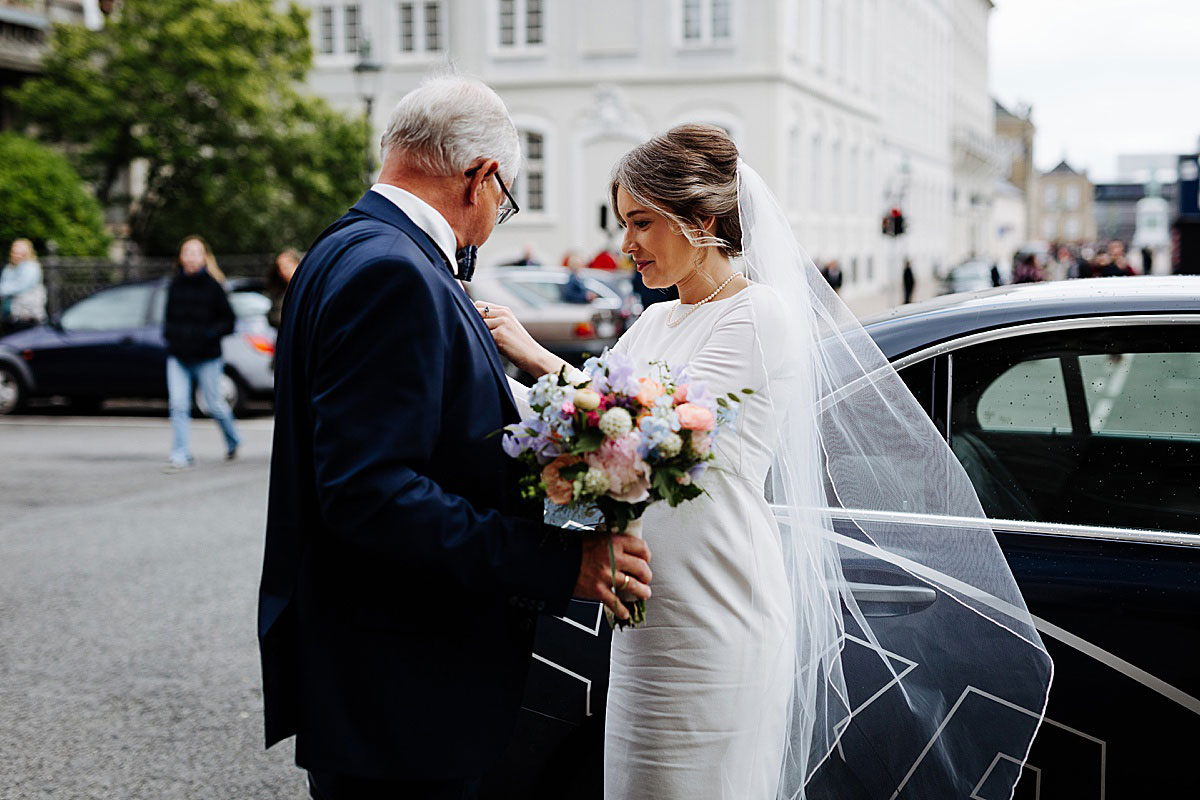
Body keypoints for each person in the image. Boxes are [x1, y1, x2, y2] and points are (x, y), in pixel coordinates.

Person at [479, 124, 1052, 799]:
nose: (625, 243)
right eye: (621, 223)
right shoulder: (657, 322)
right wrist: (484, 373)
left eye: (641, 222)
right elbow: (584, 433)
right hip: (647, 612)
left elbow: (648, 436)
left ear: (703, 219)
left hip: (717, 609)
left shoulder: (757, 318)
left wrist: (535, 357)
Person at [257, 75, 652, 800]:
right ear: (480, 177)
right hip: (404, 682)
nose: (499, 213)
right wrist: (557, 564)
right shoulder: (392, 271)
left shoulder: (344, 247)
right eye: (506, 198)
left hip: (373, 669)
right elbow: (372, 496)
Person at [162, 235, 240, 470]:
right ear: (181, 257)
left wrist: (207, 335)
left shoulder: (214, 286)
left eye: (196, 252)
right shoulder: (175, 284)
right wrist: (173, 337)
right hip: (179, 355)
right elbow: (169, 318)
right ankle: (180, 453)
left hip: (207, 356)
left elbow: (228, 321)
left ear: (204, 257)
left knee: (214, 403)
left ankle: (232, 438)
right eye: (187, 252)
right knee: (178, 404)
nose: (191, 257)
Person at [1, 238, 48, 334]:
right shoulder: (9, 268)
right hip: (10, 316)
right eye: (15, 252)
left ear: (27, 253)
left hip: (28, 317)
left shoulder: (32, 267)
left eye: (21, 253)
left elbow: (21, 286)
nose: (17, 256)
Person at [266, 248, 300, 328]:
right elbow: (274, 317)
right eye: (279, 268)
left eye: (286, 267)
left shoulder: (306, 289)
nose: (282, 271)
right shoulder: (279, 292)